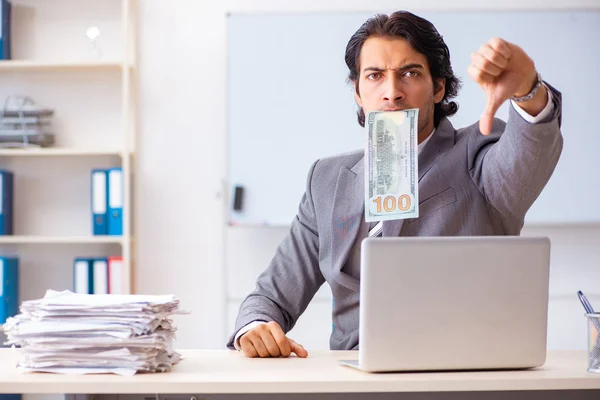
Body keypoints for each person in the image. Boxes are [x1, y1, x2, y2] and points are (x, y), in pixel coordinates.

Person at [226, 10, 563, 358]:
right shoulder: (327, 180)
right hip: (352, 379)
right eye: (374, 76)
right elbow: (271, 295)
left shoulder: (479, 151)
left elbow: (527, 155)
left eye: (410, 73)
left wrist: (528, 90)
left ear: (438, 87)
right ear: (358, 92)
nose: (392, 92)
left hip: (459, 373)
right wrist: (256, 327)